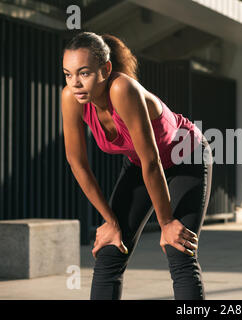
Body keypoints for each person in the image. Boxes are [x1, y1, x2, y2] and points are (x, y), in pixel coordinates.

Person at [61, 31, 213, 300]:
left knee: (179, 249)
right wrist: (110, 222)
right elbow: (77, 163)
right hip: (141, 165)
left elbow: (152, 160)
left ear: (105, 69)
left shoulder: (122, 89)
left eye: (84, 73)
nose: (75, 83)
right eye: (68, 74)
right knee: (110, 249)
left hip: (185, 157)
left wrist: (166, 222)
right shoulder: (71, 98)